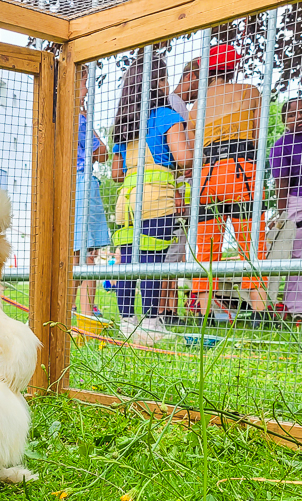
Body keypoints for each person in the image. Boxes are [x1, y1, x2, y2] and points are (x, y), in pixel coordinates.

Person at [111, 53, 193, 343]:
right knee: (153, 261)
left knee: (128, 262)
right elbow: (185, 158)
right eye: (165, 77)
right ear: (158, 83)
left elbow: (116, 174)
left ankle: (126, 323)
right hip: (157, 200)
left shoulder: (124, 125)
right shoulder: (166, 117)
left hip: (127, 204)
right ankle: (151, 324)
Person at [187, 44, 267, 326]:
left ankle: (204, 312)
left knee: (206, 244)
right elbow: (258, 136)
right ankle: (259, 311)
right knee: (250, 240)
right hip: (241, 169)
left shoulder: (197, 105)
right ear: (232, 67)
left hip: (207, 174)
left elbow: (191, 146)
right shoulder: (250, 91)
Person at [160, 59, 201, 326]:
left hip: (181, 189)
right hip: (175, 189)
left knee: (178, 250)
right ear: (191, 76)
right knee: (172, 252)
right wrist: (177, 190)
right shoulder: (174, 104)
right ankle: (166, 310)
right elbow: (176, 154)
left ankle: (172, 309)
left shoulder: (182, 106)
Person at [73, 64, 110, 318]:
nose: (87, 91)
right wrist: (87, 118)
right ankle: (86, 311)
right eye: (85, 83)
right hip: (82, 183)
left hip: (73, 184)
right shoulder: (79, 118)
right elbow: (103, 152)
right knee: (86, 253)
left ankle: (72, 307)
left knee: (80, 251)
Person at [270, 97, 302, 323]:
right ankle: (296, 311)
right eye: (292, 115)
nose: (299, 118)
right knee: (300, 255)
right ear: (285, 120)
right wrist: (282, 216)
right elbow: (282, 184)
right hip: (299, 198)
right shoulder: (281, 145)